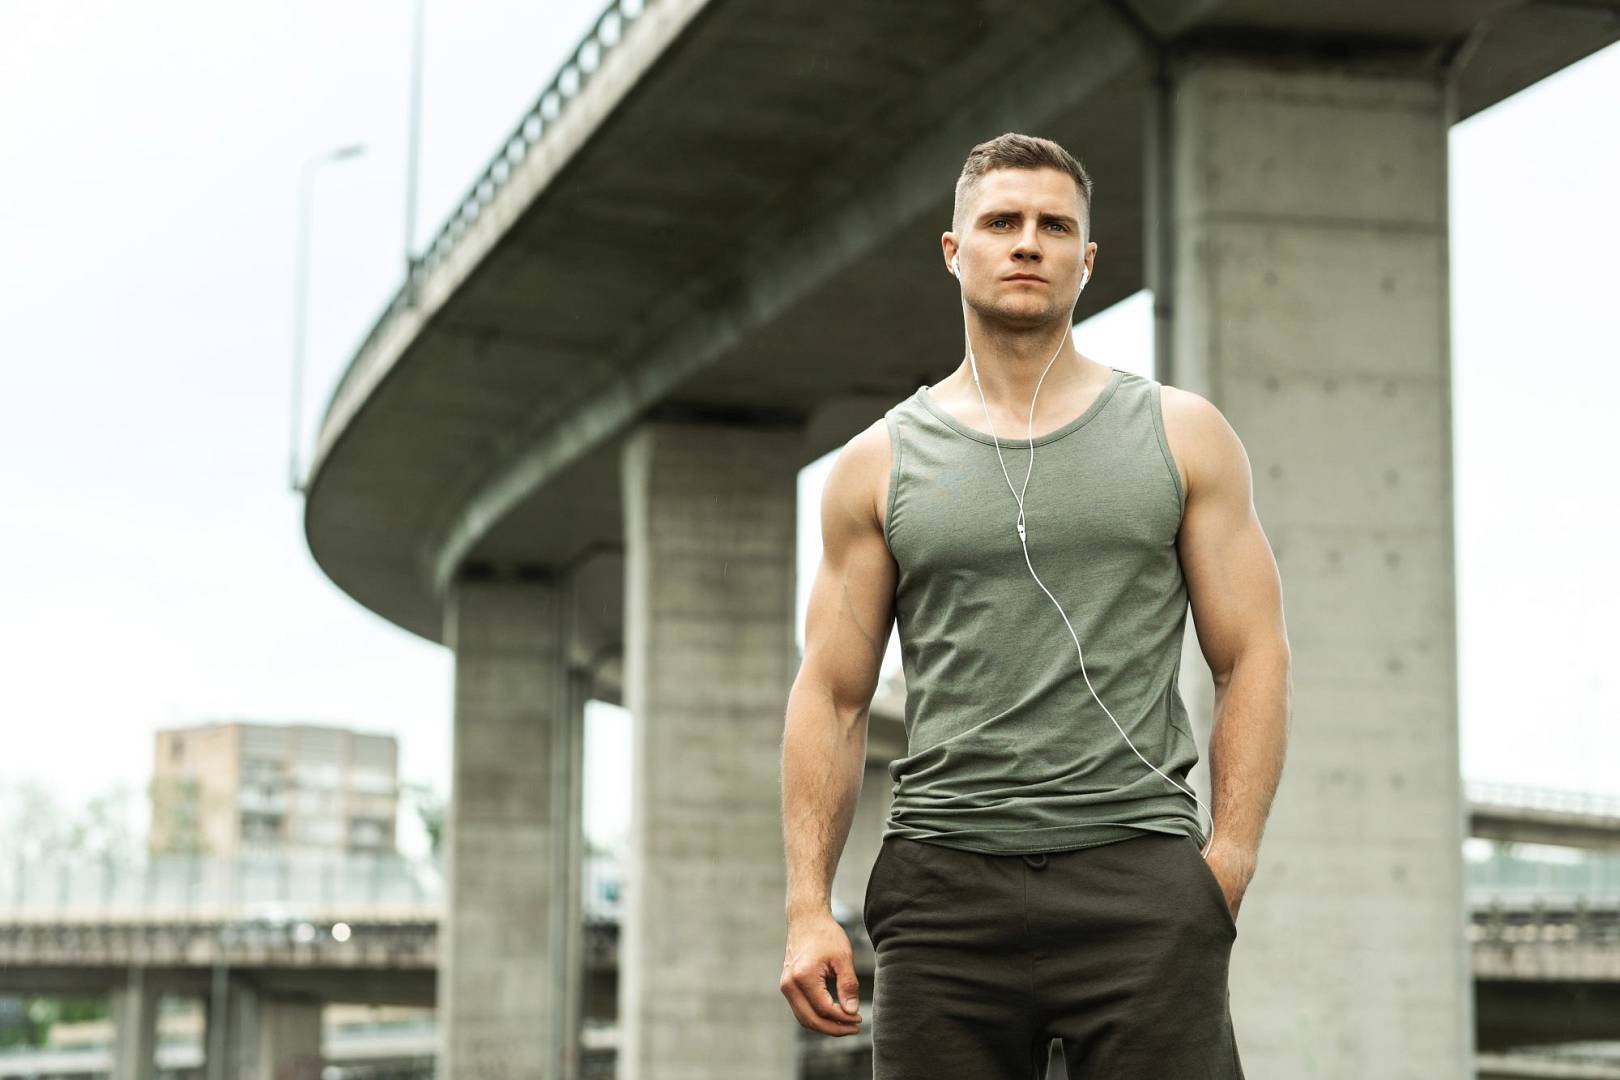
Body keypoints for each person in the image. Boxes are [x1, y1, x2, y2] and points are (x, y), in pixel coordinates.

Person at [779, 132, 1292, 1079]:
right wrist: (810, 907)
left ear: (1086, 260)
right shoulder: (877, 464)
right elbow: (835, 696)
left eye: (1055, 226)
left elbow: (1252, 654)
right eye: (1002, 221)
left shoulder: (1181, 436)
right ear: (954, 249)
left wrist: (1225, 865)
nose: (1028, 242)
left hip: (1139, 877)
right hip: (943, 890)